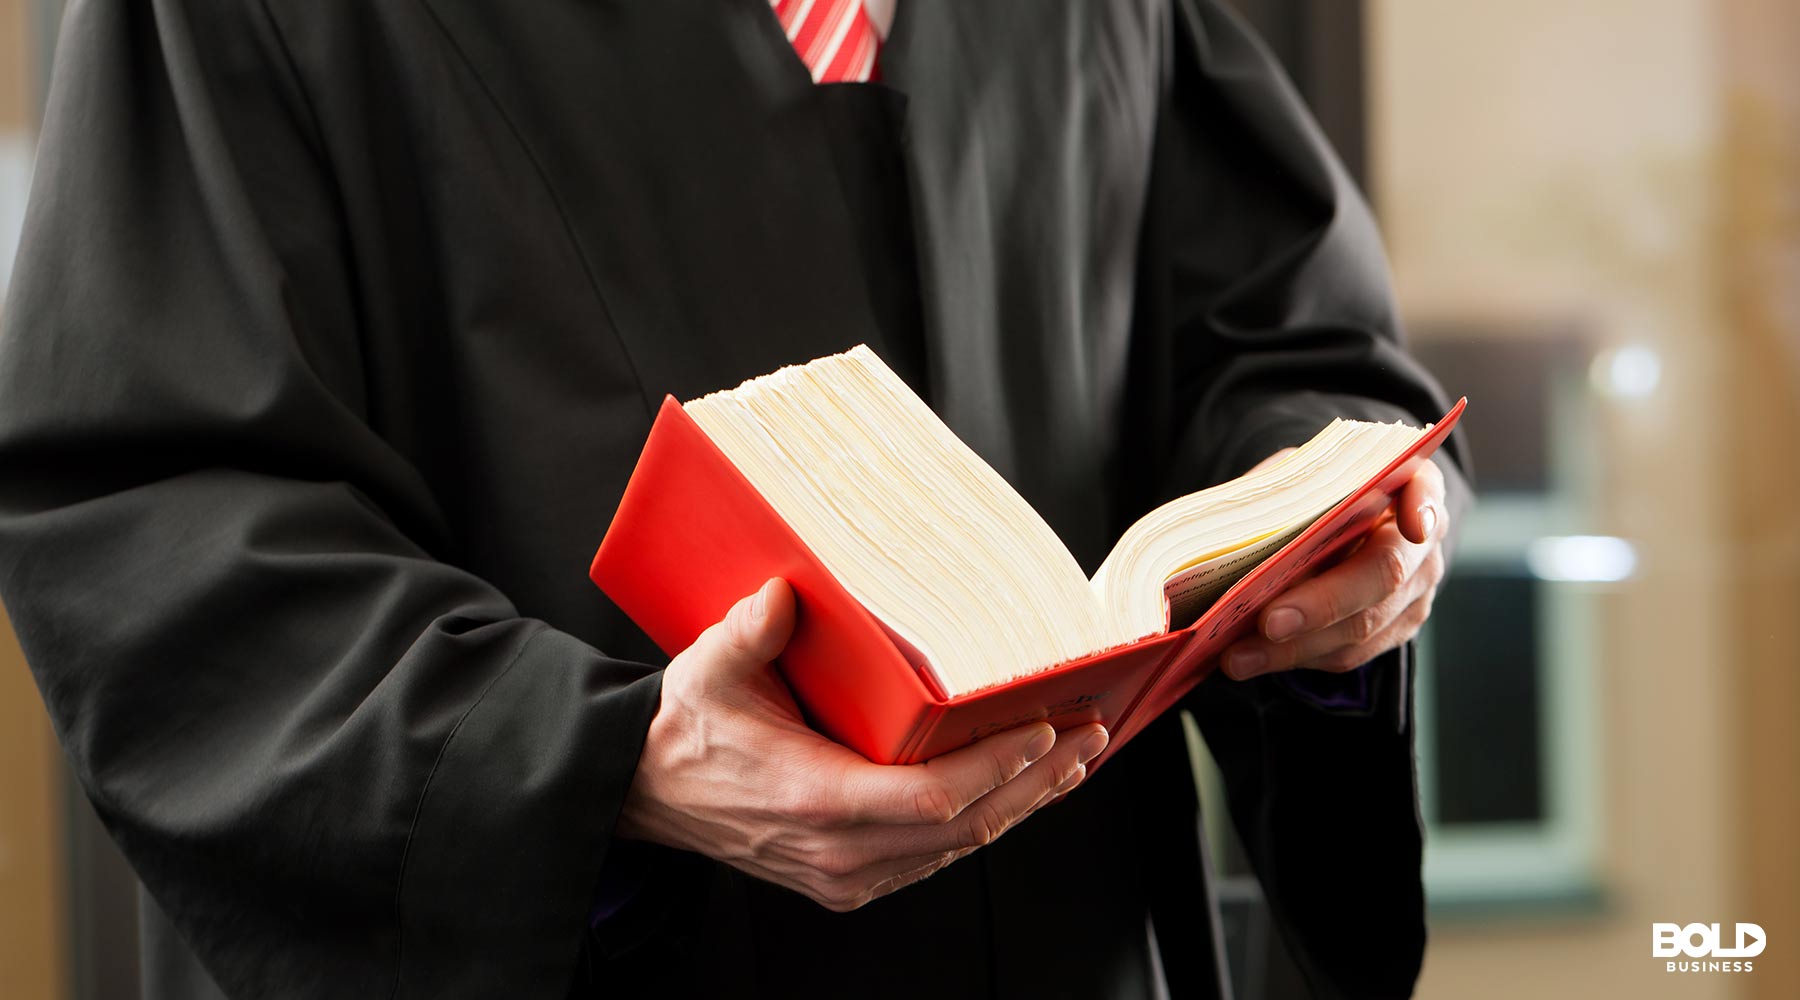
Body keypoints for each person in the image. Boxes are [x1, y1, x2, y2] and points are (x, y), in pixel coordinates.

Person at [0, 1, 1469, 998]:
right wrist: (598, 766)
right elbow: (158, 503)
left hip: (1071, 929)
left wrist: (1339, 517)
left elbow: (1273, 342)